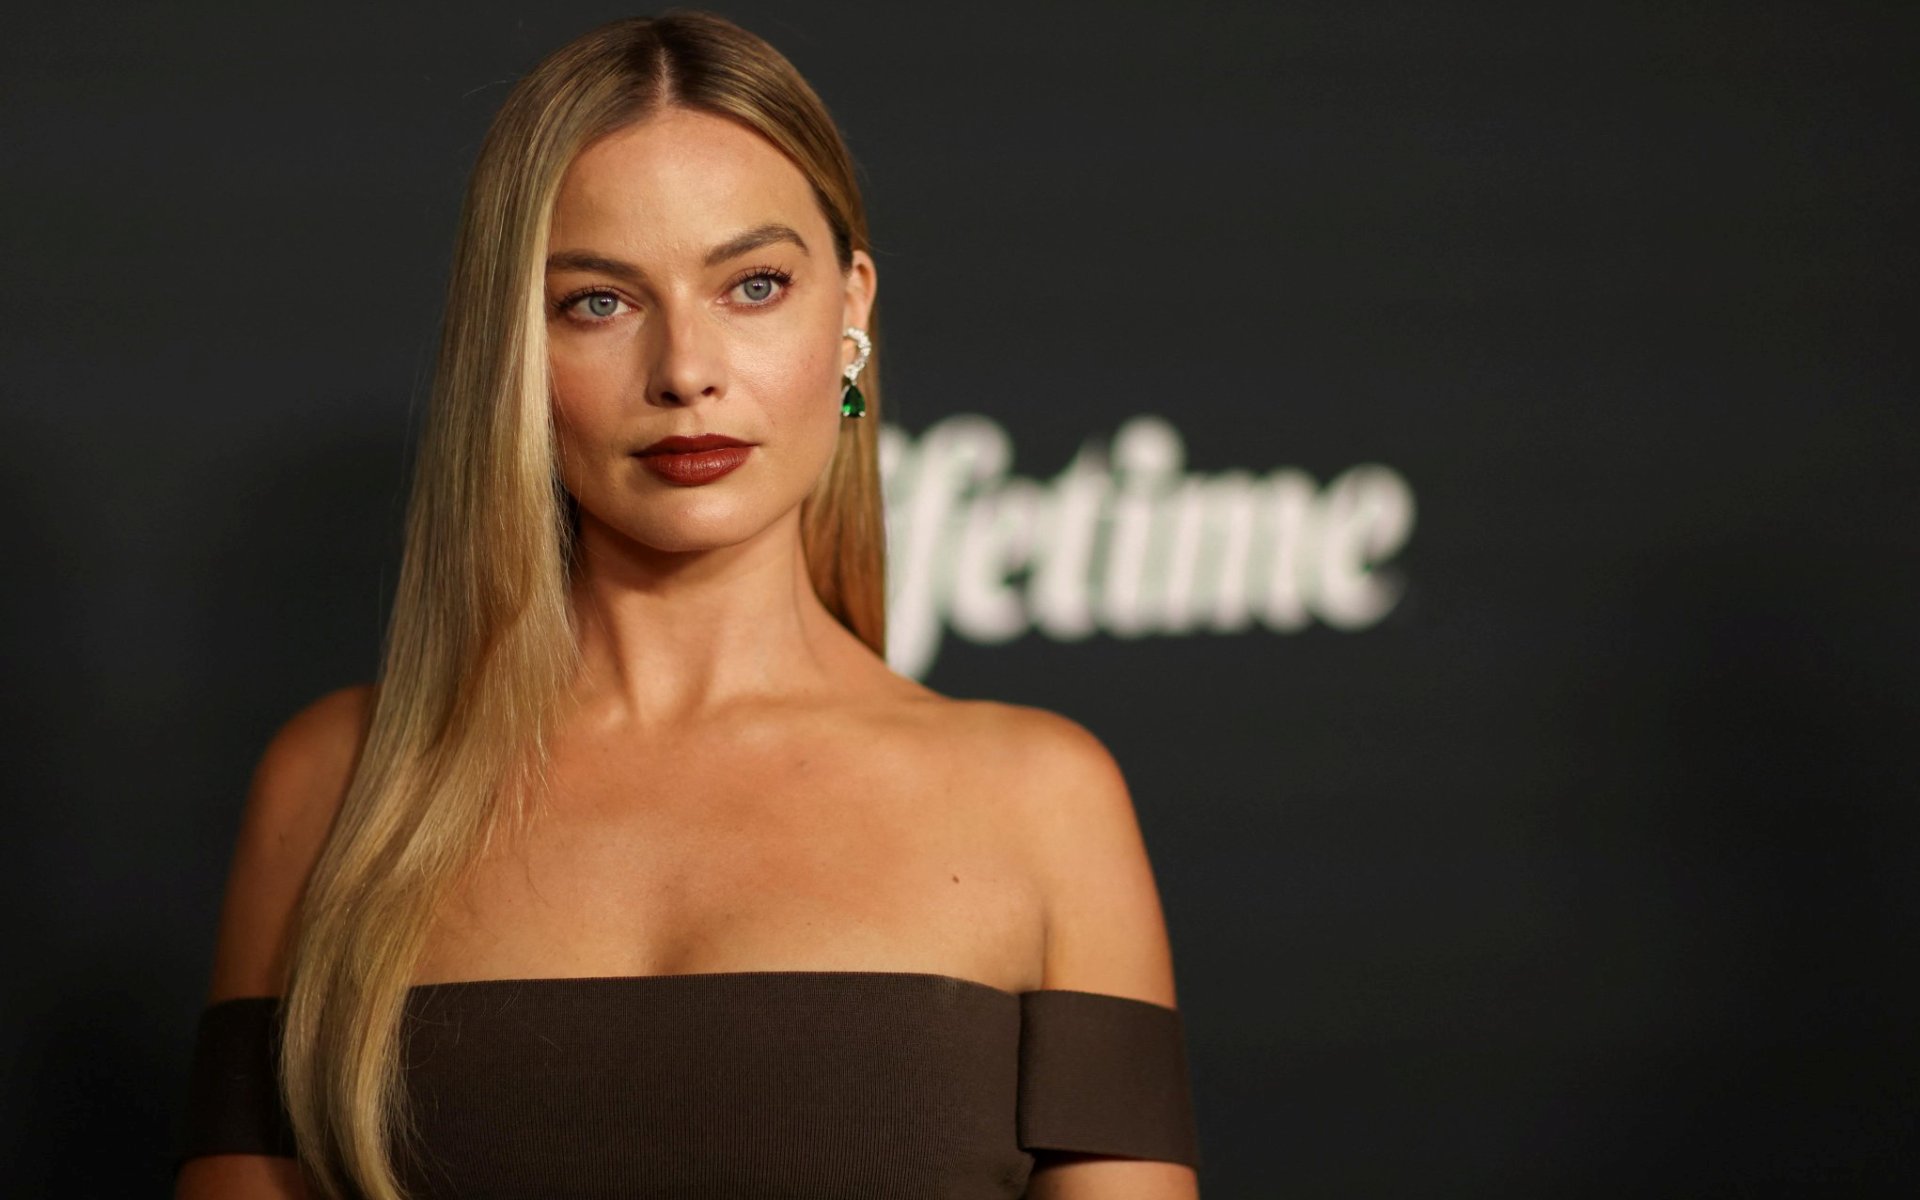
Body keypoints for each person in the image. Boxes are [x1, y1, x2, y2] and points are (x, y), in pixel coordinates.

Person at [174, 10, 1199, 1199]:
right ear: (510, 351)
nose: (685, 371)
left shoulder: (1041, 803)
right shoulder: (338, 786)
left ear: (852, 312)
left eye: (753, 285)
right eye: (597, 303)